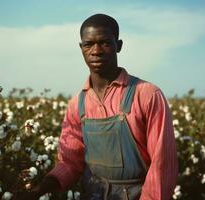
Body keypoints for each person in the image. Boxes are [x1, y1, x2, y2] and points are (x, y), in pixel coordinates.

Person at [17, 13, 178, 200]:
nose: (96, 51)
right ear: (81, 48)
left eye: (105, 43)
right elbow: (70, 163)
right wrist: (38, 191)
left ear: (119, 45)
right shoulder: (77, 104)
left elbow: (162, 166)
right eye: (88, 44)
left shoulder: (147, 95)